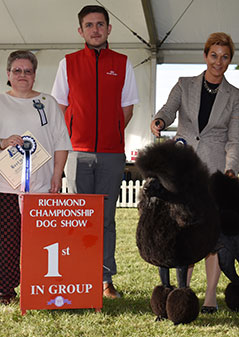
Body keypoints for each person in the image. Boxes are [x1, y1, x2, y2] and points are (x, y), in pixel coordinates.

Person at [151, 32, 239, 314]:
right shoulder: (185, 85)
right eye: (214, 55)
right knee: (183, 233)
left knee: (212, 236)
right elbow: (168, 110)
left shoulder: (236, 97)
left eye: (225, 56)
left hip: (215, 173)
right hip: (183, 171)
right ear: (205, 56)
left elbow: (235, 138)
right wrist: (159, 120)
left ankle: (210, 297)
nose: (219, 62)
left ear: (230, 60)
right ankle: (182, 293)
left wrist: (230, 170)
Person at [51, 5, 139, 299]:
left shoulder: (124, 63)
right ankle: (78, 276)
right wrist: (76, 136)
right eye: (89, 25)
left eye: (100, 24)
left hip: (113, 154)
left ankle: (104, 279)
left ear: (109, 28)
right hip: (77, 153)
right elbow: (59, 107)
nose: (95, 29)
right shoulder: (68, 63)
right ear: (81, 31)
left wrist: (113, 130)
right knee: (79, 217)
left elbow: (127, 109)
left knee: (105, 219)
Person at [0, 50, 72, 304]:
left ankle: (40, 287)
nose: (22, 75)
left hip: (42, 186)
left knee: (42, 242)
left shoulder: (48, 102)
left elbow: (61, 141)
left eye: (27, 71)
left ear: (34, 75)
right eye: (17, 71)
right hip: (5, 187)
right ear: (8, 74)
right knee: (7, 242)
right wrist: (3, 142)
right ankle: (5, 290)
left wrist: (57, 175)